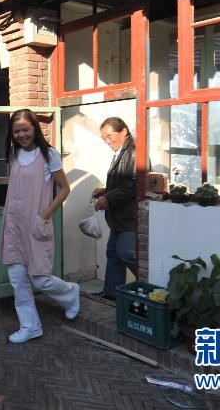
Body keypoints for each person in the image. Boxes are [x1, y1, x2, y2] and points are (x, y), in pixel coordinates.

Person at [0, 109, 80, 344]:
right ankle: (30, 326)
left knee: (40, 278)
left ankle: (70, 293)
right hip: (14, 224)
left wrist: (45, 213)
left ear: (35, 128)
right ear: (12, 134)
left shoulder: (48, 155)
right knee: (17, 279)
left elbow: (64, 189)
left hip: (36, 223)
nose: (22, 134)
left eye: (26, 129)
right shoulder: (13, 153)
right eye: (17, 131)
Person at [92, 116, 138, 300]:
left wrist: (108, 198)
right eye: (104, 137)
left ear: (124, 131)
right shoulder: (122, 151)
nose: (107, 140)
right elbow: (123, 181)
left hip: (129, 216)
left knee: (125, 252)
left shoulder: (134, 151)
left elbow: (134, 184)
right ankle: (111, 295)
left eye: (109, 135)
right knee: (113, 253)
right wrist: (105, 190)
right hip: (119, 216)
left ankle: (152, 285)